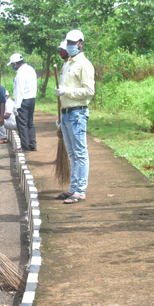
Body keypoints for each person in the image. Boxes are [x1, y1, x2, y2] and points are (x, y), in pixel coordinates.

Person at [55, 29, 95, 204]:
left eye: (73, 43)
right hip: (66, 113)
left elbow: (89, 91)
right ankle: (73, 188)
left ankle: (80, 191)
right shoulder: (67, 64)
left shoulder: (84, 64)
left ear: (81, 44)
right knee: (72, 153)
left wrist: (66, 92)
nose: (70, 45)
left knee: (80, 153)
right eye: (68, 42)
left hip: (77, 113)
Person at [9, 53, 37, 152]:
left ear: (15, 63)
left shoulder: (20, 73)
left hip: (23, 100)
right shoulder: (31, 69)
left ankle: (25, 146)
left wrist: (16, 106)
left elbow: (19, 90)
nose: (13, 67)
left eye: (12, 65)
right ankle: (32, 144)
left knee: (22, 124)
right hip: (32, 99)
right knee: (30, 122)